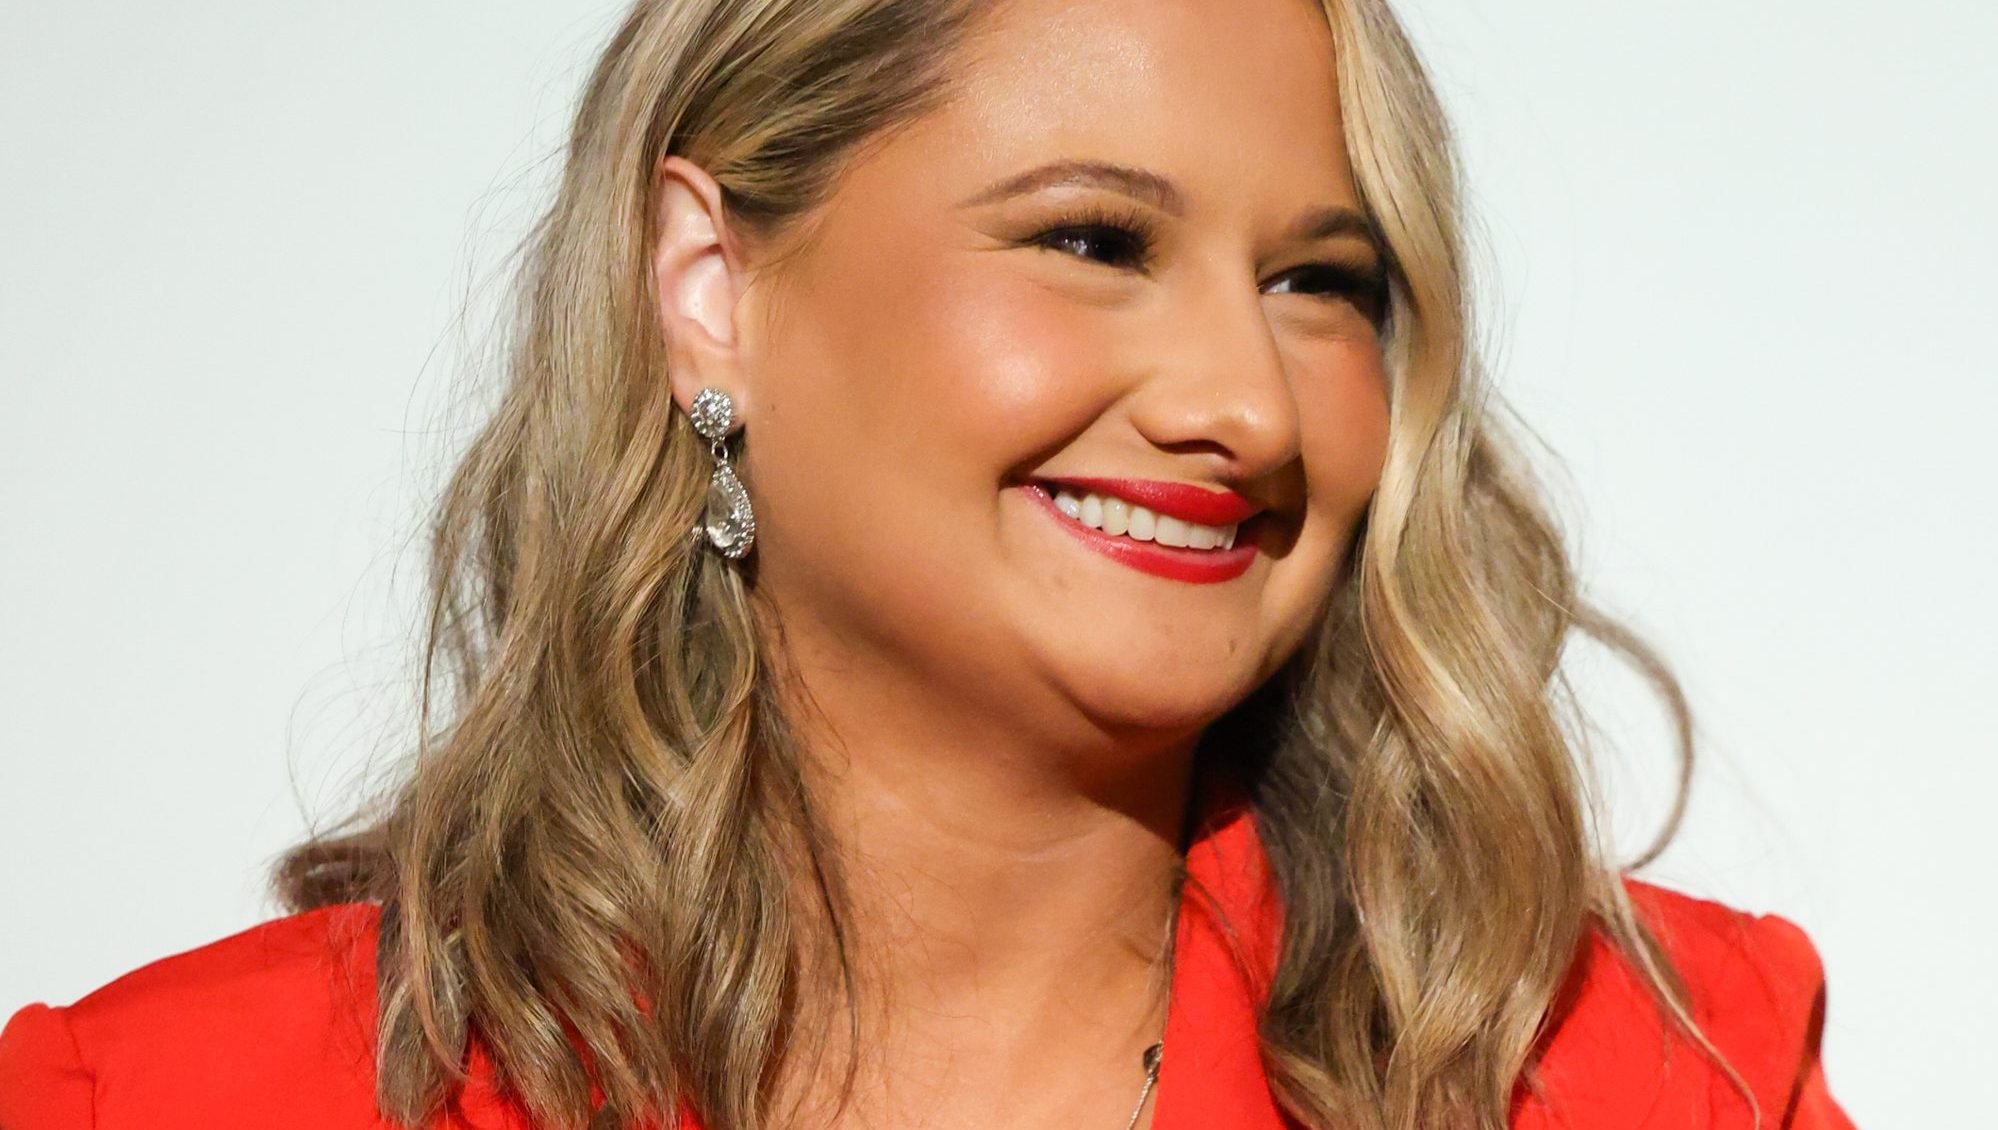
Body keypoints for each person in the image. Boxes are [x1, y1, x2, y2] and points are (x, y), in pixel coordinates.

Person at [0, 0, 1855, 1127]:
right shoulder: (165, 1099)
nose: (1245, 405)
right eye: (1092, 241)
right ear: (709, 289)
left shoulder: (1656, 1072)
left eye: (1321, 283)